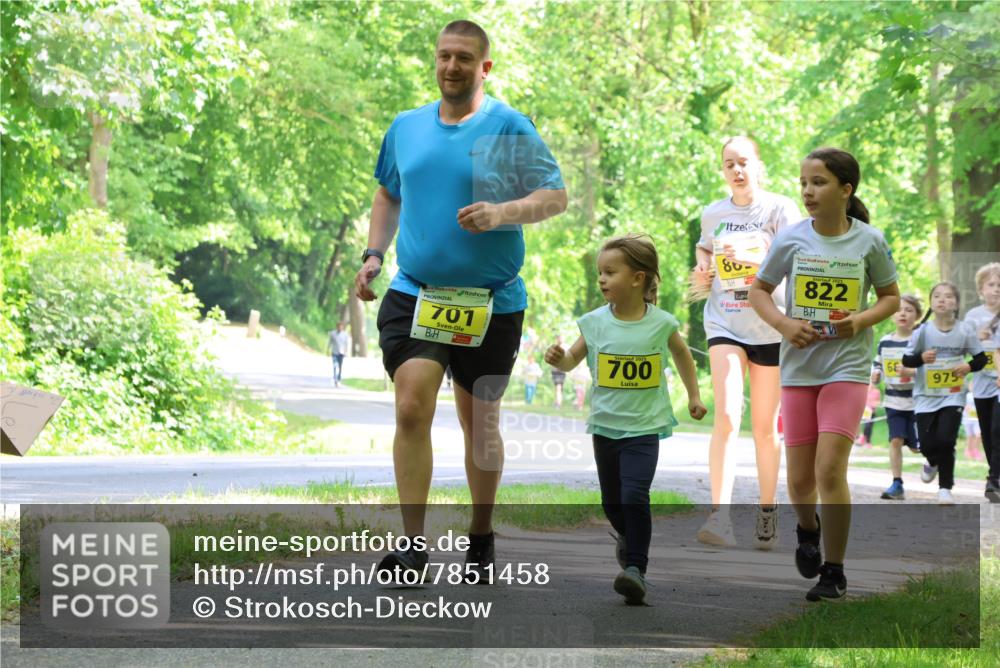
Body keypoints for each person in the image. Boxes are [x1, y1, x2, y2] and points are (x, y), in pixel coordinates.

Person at [353, 20, 567, 580]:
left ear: (484, 67)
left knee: (482, 428)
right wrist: (374, 254)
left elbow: (556, 196)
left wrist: (504, 213)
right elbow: (386, 192)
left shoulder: (509, 127)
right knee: (411, 406)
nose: (452, 66)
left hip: (491, 301)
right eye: (445, 56)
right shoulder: (405, 127)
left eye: (464, 58)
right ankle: (413, 547)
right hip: (416, 291)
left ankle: (480, 533)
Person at [749, 147, 900, 601]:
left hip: (847, 368)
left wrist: (861, 320)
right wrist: (784, 324)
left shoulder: (869, 241)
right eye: (804, 183)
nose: (808, 191)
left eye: (819, 183)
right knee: (799, 481)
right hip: (799, 369)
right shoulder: (792, 239)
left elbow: (891, 297)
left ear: (845, 190)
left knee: (829, 469)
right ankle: (807, 529)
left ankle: (834, 572)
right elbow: (759, 292)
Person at [544, 235, 707, 605]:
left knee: (635, 494)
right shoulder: (594, 322)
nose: (601, 279)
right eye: (600, 272)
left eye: (610, 272)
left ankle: (636, 569)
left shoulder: (661, 324)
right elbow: (572, 360)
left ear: (637, 278)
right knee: (612, 502)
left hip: (645, 427)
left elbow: (683, 356)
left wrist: (694, 396)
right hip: (605, 426)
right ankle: (628, 537)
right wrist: (559, 360)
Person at [691, 136, 802, 549]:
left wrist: (763, 257)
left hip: (771, 325)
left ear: (758, 165)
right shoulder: (713, 212)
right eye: (728, 165)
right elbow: (705, 248)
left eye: (743, 163)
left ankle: (768, 509)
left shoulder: (779, 208)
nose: (736, 171)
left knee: (764, 430)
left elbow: (798, 254)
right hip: (725, 321)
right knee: (727, 415)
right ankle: (719, 517)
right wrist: (704, 266)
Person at [903, 282, 987, 504]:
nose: (942, 300)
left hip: (953, 393)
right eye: (937, 296)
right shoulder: (922, 331)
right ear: (931, 302)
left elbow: (981, 359)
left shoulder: (965, 330)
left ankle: (945, 489)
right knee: (929, 444)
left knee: (946, 439)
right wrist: (921, 358)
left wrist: (968, 366)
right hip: (925, 395)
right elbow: (906, 359)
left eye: (949, 296)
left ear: (956, 304)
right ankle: (931, 462)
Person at [871, 295, 922, 500]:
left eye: (909, 310)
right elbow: (878, 365)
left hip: (918, 402)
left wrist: (912, 371)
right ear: (892, 314)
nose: (903, 313)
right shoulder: (885, 342)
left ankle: (934, 460)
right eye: (899, 309)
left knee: (917, 447)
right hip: (893, 401)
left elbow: (930, 368)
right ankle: (897, 483)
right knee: (895, 440)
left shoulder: (920, 342)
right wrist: (875, 375)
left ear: (917, 315)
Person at [963, 263, 1000, 499]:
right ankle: (995, 474)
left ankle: (993, 480)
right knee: (987, 432)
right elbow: (961, 345)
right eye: (992, 285)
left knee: (998, 429)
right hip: (982, 383)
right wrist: (978, 337)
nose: (997, 289)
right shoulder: (973, 316)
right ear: (981, 289)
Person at [327, 322, 350, 387]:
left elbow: (346, 344)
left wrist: (346, 351)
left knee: (340, 366)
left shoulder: (345, 334)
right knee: (335, 365)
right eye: (338, 327)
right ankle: (335, 379)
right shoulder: (333, 333)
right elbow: (330, 342)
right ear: (336, 327)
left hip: (341, 353)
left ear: (342, 327)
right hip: (334, 352)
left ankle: (339, 378)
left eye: (341, 327)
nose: (339, 328)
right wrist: (328, 349)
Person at [963, 391, 984, 461]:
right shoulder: (967, 395)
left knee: (979, 434)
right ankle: (969, 450)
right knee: (970, 436)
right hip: (968, 419)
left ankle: (976, 450)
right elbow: (964, 405)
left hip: (978, 419)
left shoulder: (981, 394)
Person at [550, 335, 567, 407]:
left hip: (561, 370)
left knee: (559, 387)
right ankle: (557, 402)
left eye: (561, 337)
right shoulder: (554, 347)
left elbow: (567, 358)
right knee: (557, 387)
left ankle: (558, 403)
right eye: (558, 338)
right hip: (555, 370)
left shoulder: (565, 347)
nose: (559, 339)